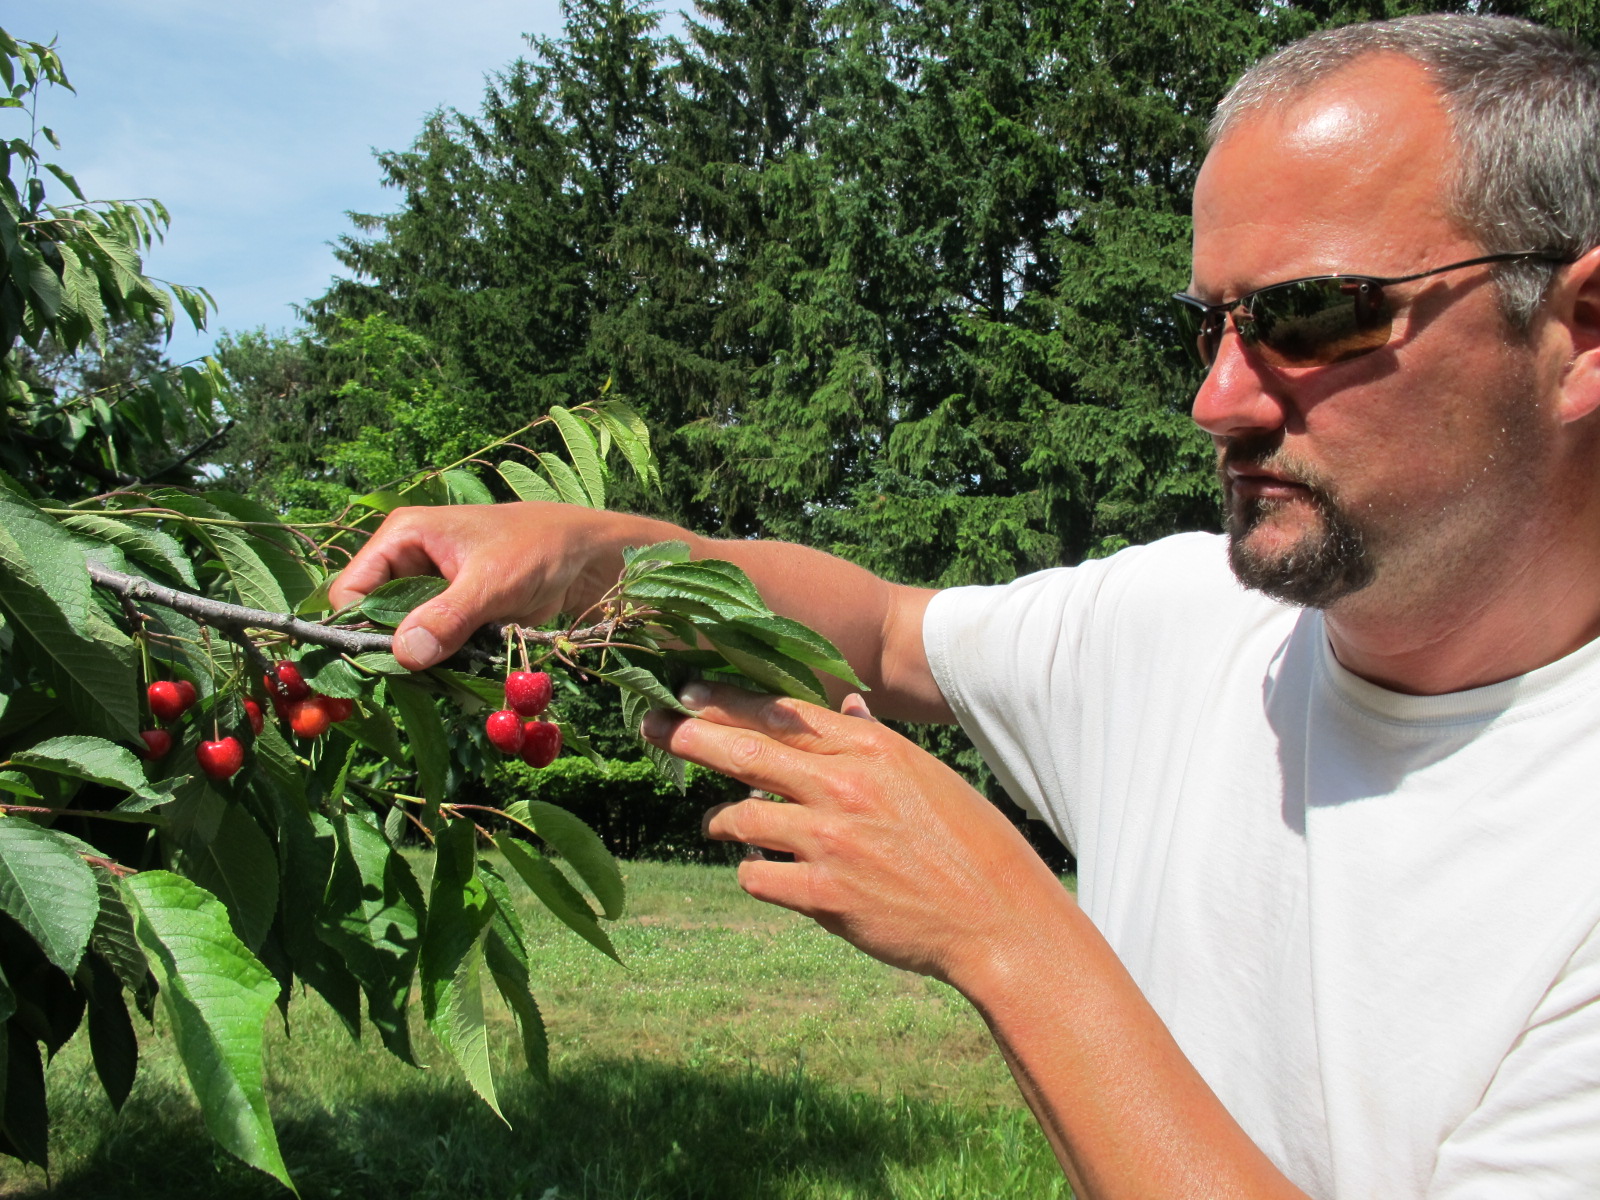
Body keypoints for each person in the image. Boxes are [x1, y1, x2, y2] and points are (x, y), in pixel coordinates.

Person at [329, 14, 1600, 1197]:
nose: (1219, 402)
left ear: (1580, 331)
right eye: (1210, 324)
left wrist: (1003, 931)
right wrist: (597, 558)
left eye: (1309, 314)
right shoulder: (1187, 623)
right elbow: (882, 634)